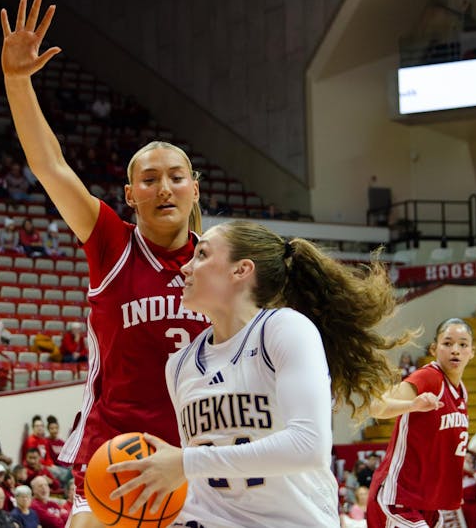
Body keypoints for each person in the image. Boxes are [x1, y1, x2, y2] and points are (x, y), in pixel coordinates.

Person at [1, 3, 211, 526]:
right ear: (130, 195)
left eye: (176, 176)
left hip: (198, 457)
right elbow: (49, 165)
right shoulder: (110, 243)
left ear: (194, 187)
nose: (164, 187)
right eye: (149, 179)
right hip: (116, 453)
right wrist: (17, 81)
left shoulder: (220, 260)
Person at [107, 220, 411, 527]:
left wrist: (186, 463)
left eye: (201, 255)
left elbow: (309, 446)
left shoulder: (283, 328)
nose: (185, 268)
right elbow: (203, 478)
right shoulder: (179, 365)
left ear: (241, 270)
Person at [366, 318, 475, 528]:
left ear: (472, 352)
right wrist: (412, 405)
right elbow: (376, 405)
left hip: (426, 501)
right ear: (434, 348)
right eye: (447, 343)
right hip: (399, 497)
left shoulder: (461, 391)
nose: (455, 350)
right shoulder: (429, 377)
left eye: (463, 344)